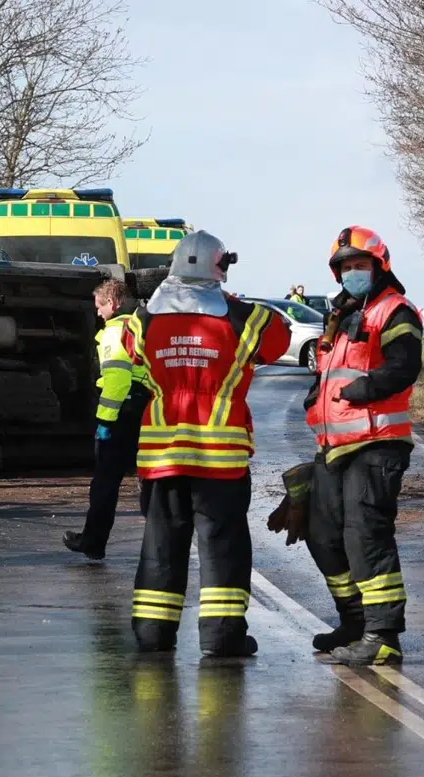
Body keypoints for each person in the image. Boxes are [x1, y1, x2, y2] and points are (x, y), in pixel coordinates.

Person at [122, 230, 289, 655]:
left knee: (161, 545)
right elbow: (280, 337)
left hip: (162, 457)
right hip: (221, 461)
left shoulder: (144, 321)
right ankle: (221, 635)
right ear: (222, 267)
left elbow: (131, 348)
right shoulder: (243, 320)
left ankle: (152, 634)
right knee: (222, 547)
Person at [303, 225, 423, 667]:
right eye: (346, 267)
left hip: (377, 442)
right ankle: (354, 621)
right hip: (335, 444)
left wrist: (365, 389)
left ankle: (383, 634)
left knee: (366, 535)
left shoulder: (395, 310)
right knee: (322, 534)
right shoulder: (340, 314)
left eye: (360, 265)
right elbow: (331, 371)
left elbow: (405, 368)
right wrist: (316, 396)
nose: (353, 272)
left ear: (379, 266)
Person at [63, 279, 151, 560]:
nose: (98, 313)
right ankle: (159, 541)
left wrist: (104, 422)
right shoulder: (140, 328)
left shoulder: (115, 333)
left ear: (112, 303)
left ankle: (93, 542)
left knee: (105, 482)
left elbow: (116, 381)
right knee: (149, 479)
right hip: (144, 407)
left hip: (122, 413)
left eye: (100, 306)